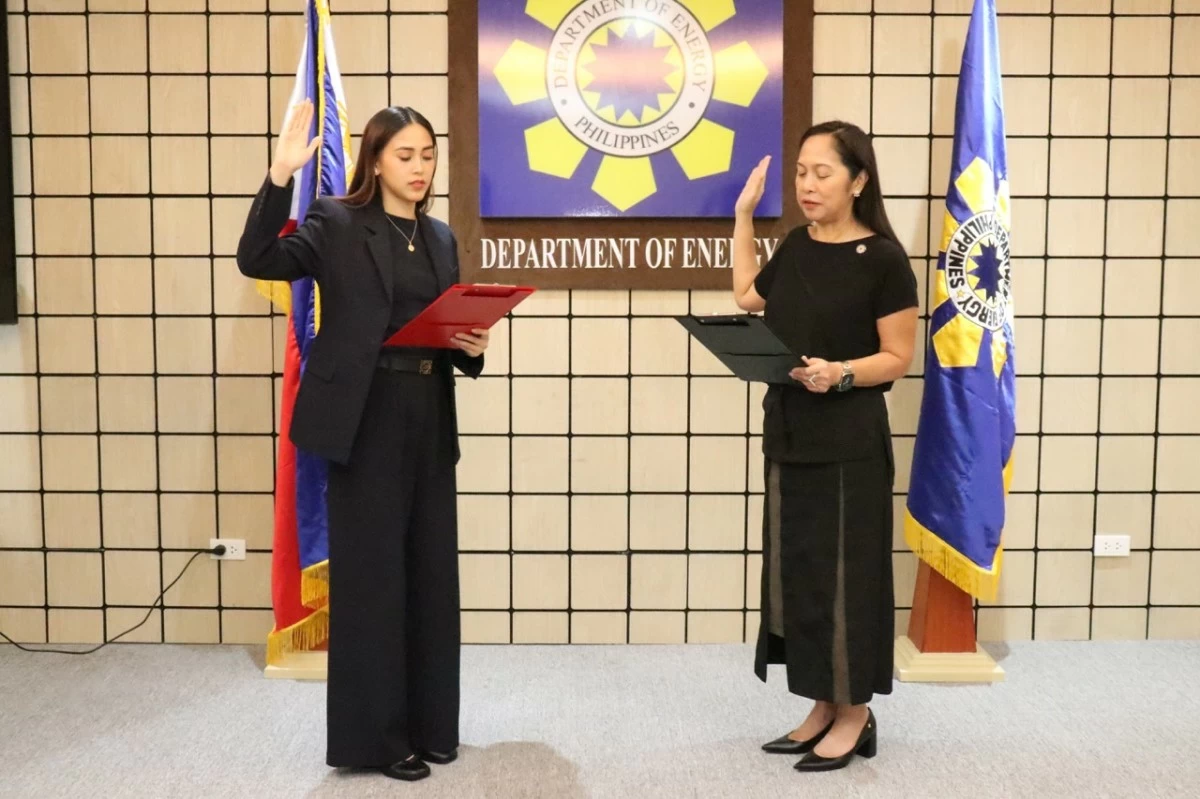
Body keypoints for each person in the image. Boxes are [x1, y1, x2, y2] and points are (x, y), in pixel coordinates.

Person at [236, 101, 489, 783]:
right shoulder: (336, 221)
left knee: (431, 576)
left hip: (428, 416)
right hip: (364, 418)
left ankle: (433, 724)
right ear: (375, 159)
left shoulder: (439, 237)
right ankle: (377, 738)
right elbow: (256, 257)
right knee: (375, 581)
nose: (419, 168)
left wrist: (472, 344)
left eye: (428, 155)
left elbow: (440, 326)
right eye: (405, 155)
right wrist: (278, 174)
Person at [731, 120, 919, 772]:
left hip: (848, 441)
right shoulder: (797, 246)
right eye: (801, 171)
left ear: (858, 180)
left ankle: (856, 712)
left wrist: (839, 371)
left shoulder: (886, 261)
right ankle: (820, 704)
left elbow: (897, 357)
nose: (807, 184)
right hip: (789, 430)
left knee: (846, 578)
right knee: (800, 575)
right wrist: (743, 217)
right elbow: (748, 294)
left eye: (822, 172)